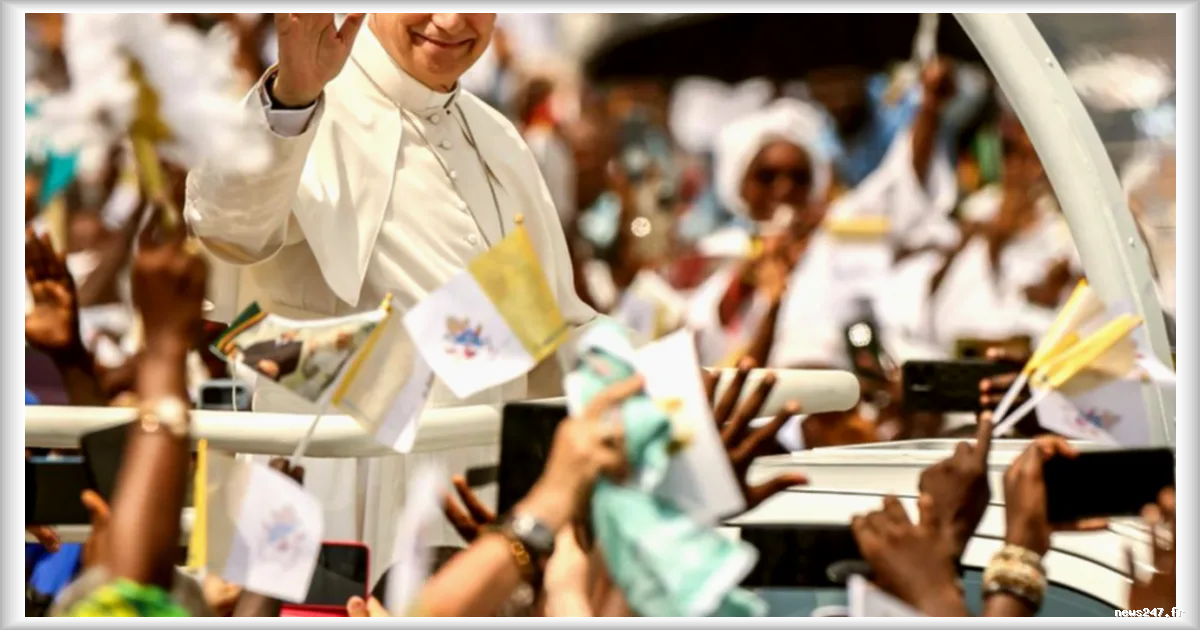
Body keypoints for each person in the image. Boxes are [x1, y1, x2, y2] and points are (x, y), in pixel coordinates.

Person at [185, 12, 596, 577]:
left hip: (473, 484)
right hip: (335, 481)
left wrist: (662, 373)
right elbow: (226, 227)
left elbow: (546, 321)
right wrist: (294, 96)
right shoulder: (305, 99)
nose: (450, 21)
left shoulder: (495, 134)